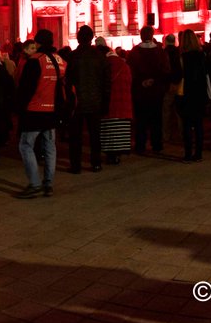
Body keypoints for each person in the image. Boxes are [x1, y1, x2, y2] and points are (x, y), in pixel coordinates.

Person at [14, 31, 65, 198]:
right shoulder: (60, 61)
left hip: (35, 110)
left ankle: (35, 183)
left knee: (25, 145)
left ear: (38, 43)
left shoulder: (35, 61)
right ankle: (48, 184)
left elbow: (26, 89)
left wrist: (19, 109)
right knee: (50, 147)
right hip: (52, 111)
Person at [64, 25, 108, 173]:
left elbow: (67, 81)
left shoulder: (72, 56)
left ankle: (76, 166)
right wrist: (105, 102)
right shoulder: (100, 57)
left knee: (75, 136)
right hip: (95, 101)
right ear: (91, 38)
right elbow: (106, 82)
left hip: (77, 102)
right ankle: (96, 163)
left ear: (78, 38)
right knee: (95, 135)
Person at [127, 25, 170, 154]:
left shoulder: (134, 52)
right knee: (156, 118)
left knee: (140, 120)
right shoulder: (160, 51)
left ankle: (141, 145)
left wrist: (141, 82)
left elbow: (130, 71)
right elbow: (165, 71)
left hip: (140, 91)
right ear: (152, 36)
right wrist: (155, 81)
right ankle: (157, 144)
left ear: (141, 36)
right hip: (156, 91)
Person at [177, 30, 210, 162]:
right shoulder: (202, 56)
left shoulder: (182, 58)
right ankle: (199, 153)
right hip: (200, 93)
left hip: (186, 93)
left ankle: (188, 154)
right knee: (198, 125)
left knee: (186, 126)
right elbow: (206, 75)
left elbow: (179, 77)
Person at [100, 47, 132, 166]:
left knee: (108, 132)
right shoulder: (125, 66)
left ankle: (110, 155)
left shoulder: (105, 65)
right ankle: (117, 155)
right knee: (120, 132)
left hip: (110, 103)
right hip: (123, 104)